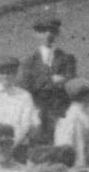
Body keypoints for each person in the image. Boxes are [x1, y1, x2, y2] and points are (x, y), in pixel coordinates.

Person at [18, 17, 77, 146]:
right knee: (38, 146)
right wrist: (53, 80)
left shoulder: (67, 58)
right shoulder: (29, 61)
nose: (47, 34)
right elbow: (26, 87)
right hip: (38, 109)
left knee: (62, 144)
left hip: (60, 109)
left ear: (57, 34)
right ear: (36, 35)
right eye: (42, 31)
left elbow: (71, 83)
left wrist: (42, 82)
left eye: (52, 31)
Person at [53, 77, 89, 171]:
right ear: (84, 96)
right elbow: (65, 144)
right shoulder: (77, 117)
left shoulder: (72, 114)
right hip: (77, 168)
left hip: (75, 165)